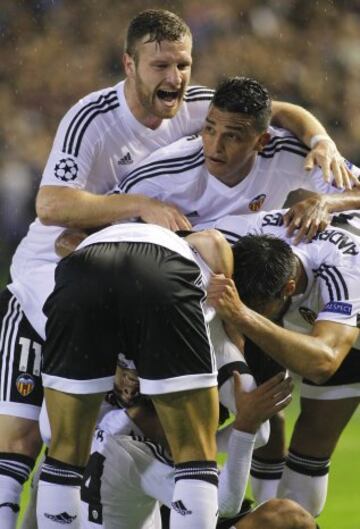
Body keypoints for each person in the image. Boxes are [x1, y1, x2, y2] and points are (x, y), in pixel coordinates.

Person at [0, 8, 348, 526]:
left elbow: (281, 111)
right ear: (129, 64)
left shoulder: (207, 107)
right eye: (161, 65)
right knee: (44, 434)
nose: (175, 77)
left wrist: (321, 139)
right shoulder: (98, 122)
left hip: (150, 272)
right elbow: (52, 210)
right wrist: (138, 209)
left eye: (183, 64)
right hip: (53, 270)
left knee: (107, 437)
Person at [200, 209, 360, 517]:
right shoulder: (235, 233)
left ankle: (293, 519)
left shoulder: (345, 270)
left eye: (257, 307)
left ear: (289, 288)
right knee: (267, 408)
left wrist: (242, 316)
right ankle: (266, 517)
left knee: (311, 441)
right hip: (288, 317)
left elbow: (323, 362)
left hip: (348, 339)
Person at [115, 76, 360, 244]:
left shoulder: (283, 151)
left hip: (256, 262)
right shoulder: (165, 171)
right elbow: (104, 216)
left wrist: (325, 202)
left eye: (231, 137)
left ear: (261, 141)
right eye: (209, 129)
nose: (215, 146)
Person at [78, 371, 316, 529]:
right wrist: (245, 425)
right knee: (285, 516)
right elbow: (225, 504)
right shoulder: (142, 455)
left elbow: (251, 438)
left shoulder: (110, 423)